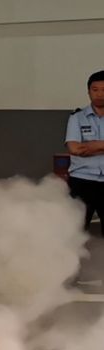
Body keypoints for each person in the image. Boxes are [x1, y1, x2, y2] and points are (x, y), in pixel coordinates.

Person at [65, 71, 104, 236]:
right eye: (95, 90)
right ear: (88, 92)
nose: (100, 94)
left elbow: (83, 149)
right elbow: (75, 149)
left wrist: (92, 146)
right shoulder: (77, 118)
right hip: (82, 181)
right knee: (75, 232)